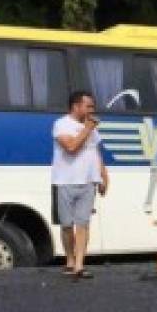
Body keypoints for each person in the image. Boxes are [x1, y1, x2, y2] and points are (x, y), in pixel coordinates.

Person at [52, 91, 108, 280]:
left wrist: (103, 176)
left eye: (92, 106)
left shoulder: (92, 129)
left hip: (88, 182)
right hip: (66, 181)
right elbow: (71, 147)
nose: (92, 110)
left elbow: (95, 153)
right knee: (67, 225)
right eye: (88, 106)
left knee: (83, 224)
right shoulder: (61, 124)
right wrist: (87, 129)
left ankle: (79, 265)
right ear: (76, 106)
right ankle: (69, 259)